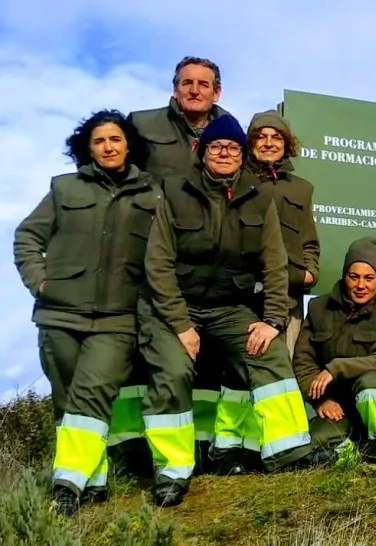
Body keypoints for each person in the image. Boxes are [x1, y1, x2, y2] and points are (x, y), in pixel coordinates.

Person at [138, 113, 311, 507]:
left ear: (241, 154)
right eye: (216, 146)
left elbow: (275, 265)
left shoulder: (259, 197)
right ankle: (171, 471)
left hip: (228, 308)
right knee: (173, 371)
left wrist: (272, 320)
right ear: (202, 152)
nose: (224, 153)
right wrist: (181, 325)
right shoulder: (175, 191)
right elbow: (157, 265)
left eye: (232, 147)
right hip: (173, 308)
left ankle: (289, 452)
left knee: (269, 352)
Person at [13, 109, 161, 516]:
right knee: (67, 402)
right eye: (99, 141)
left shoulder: (152, 194)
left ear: (128, 144)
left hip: (118, 319)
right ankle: (93, 483)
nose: (108, 147)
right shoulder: (64, 188)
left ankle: (66, 486)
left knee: (91, 392)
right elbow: (27, 236)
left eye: (115, 139)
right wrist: (40, 281)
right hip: (58, 315)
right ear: (88, 148)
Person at [114, 55, 232, 476]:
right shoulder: (142, 124)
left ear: (216, 91)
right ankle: (133, 452)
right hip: (148, 258)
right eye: (187, 82)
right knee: (140, 355)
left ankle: (199, 447)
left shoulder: (229, 129)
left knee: (205, 359)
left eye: (204, 83)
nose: (195, 90)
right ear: (175, 87)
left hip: (205, 263)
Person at [210, 109, 321, 476]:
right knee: (239, 374)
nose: (269, 143)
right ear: (250, 142)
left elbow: (310, 242)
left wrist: (309, 272)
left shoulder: (301, 189)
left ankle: (275, 451)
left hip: (287, 298)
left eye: (277, 137)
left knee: (279, 374)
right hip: (243, 297)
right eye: (261, 136)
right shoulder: (236, 181)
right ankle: (235, 452)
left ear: (287, 145)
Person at [293, 237, 376, 464]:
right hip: (340, 406)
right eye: (354, 276)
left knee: (370, 386)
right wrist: (321, 401)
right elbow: (303, 361)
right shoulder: (318, 308)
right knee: (309, 449)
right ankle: (354, 449)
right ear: (344, 276)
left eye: (369, 278)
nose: (361, 285)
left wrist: (335, 368)